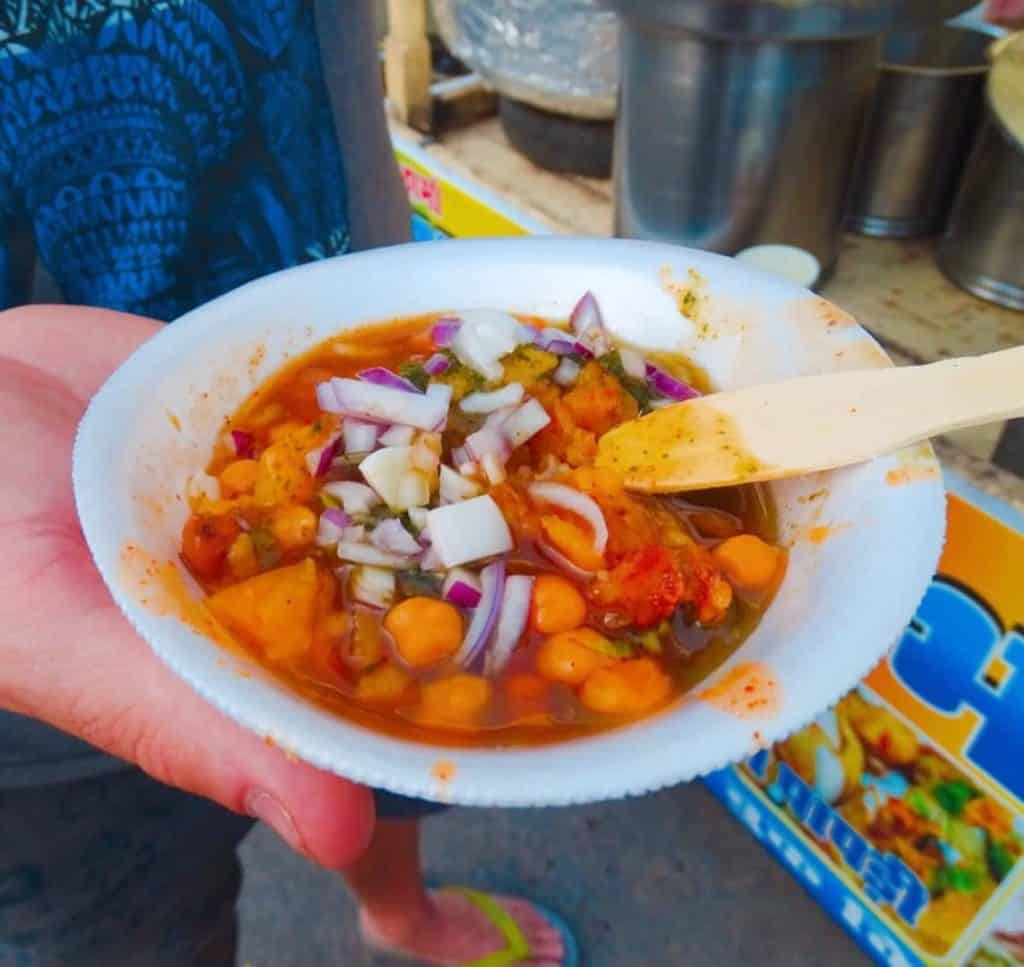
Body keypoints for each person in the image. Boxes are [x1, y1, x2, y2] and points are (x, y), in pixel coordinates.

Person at [0, 2, 569, 964]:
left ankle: (398, 912)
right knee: (133, 918)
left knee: (392, 734)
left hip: (343, 265)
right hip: (44, 506)